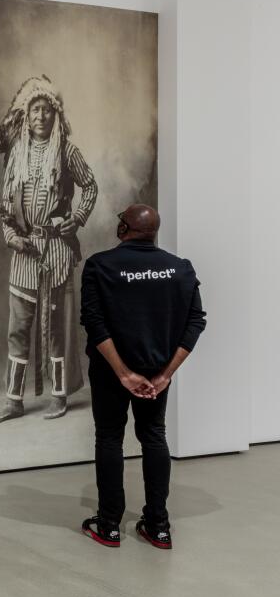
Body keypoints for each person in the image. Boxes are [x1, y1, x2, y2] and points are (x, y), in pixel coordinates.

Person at [79, 204, 206, 549]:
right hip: (155, 373)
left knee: (109, 438)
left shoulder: (100, 266)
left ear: (125, 228)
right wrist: (165, 375)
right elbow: (196, 322)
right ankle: (158, 525)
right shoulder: (179, 269)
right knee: (153, 436)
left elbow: (94, 324)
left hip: (111, 372)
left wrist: (123, 374)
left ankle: (108, 525)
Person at [0, 76, 98, 424]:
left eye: (46, 110)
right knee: (18, 327)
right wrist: (9, 234)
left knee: (55, 330)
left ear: (55, 115)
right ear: (27, 114)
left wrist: (76, 218)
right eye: (35, 109)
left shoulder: (66, 151)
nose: (40, 116)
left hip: (55, 253)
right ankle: (13, 400)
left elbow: (90, 186)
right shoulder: (17, 153)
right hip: (24, 253)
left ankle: (59, 395)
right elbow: (6, 201)